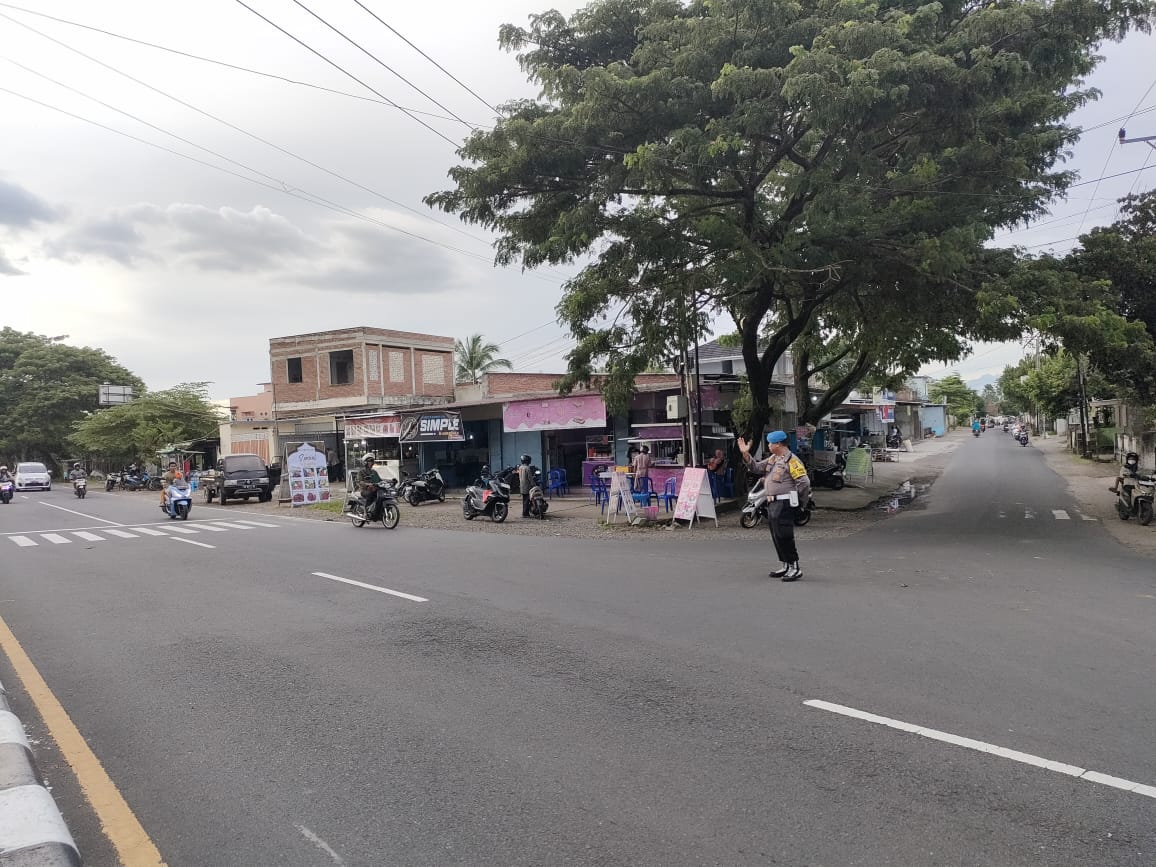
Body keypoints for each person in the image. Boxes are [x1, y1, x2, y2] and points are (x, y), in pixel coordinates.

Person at [738, 431, 812, 581]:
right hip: (772, 502)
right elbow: (756, 468)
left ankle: (795, 567)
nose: (769, 445)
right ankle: (785, 565)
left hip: (785, 502)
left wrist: (799, 503)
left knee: (785, 535)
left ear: (778, 444)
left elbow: (804, 482)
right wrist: (746, 454)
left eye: (771, 443)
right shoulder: (773, 458)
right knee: (776, 535)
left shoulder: (791, 460)